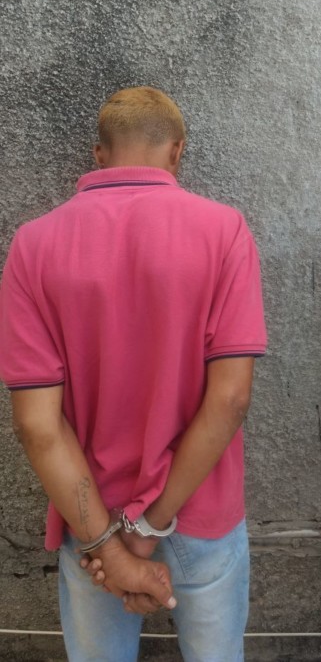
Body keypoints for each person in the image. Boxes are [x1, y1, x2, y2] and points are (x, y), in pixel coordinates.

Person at [0, 86, 267, 662]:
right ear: (177, 151)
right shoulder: (224, 231)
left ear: (99, 154)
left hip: (90, 522)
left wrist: (110, 547)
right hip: (200, 510)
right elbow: (230, 400)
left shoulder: (33, 245)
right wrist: (150, 525)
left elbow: (37, 427)